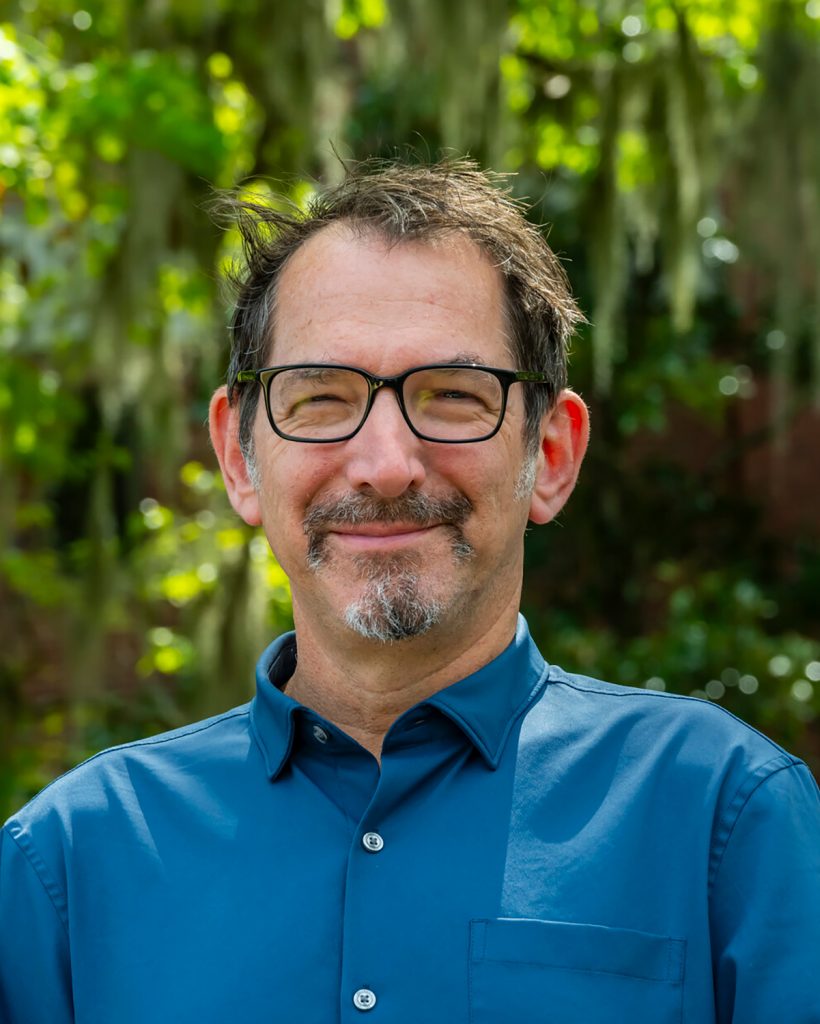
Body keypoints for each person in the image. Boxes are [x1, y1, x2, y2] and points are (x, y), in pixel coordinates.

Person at [1, 160, 818, 1024]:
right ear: (240, 458)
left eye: (455, 396)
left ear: (550, 456)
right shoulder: (67, 866)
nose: (386, 466)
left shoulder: (723, 822)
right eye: (319, 398)